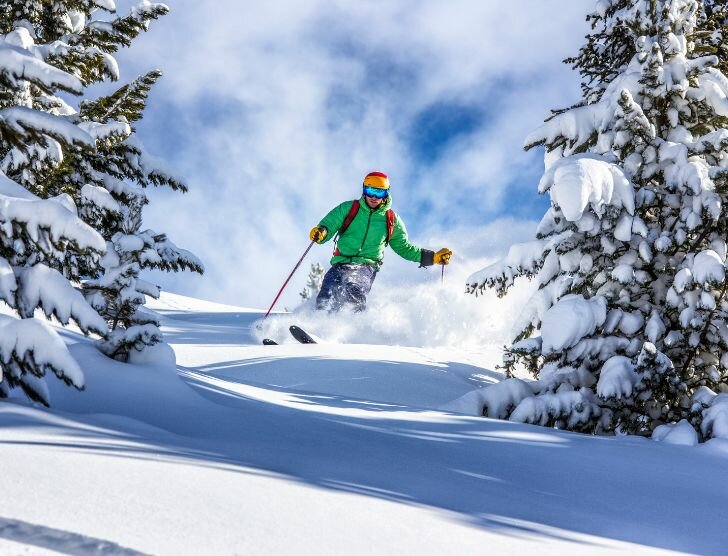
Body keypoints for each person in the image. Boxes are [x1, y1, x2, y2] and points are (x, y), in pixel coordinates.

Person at [309, 171, 452, 312]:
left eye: (379, 193)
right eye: (370, 191)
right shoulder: (349, 209)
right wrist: (322, 232)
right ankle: (321, 324)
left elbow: (404, 248)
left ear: (386, 194)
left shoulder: (391, 219)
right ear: (364, 190)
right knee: (327, 292)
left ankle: (351, 325)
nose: (373, 197)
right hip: (341, 262)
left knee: (354, 289)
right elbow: (329, 224)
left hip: (366, 265)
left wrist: (433, 257)